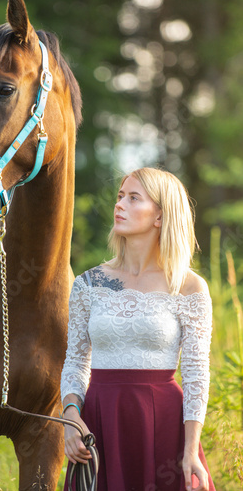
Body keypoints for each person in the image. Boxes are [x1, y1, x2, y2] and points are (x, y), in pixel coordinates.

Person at [61, 167, 215, 491]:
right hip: (101, 420)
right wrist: (71, 417)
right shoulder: (88, 284)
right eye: (119, 197)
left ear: (159, 216)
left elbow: (197, 373)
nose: (119, 205)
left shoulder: (188, 286)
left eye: (133, 198)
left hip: (164, 423)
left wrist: (189, 450)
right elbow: (75, 361)